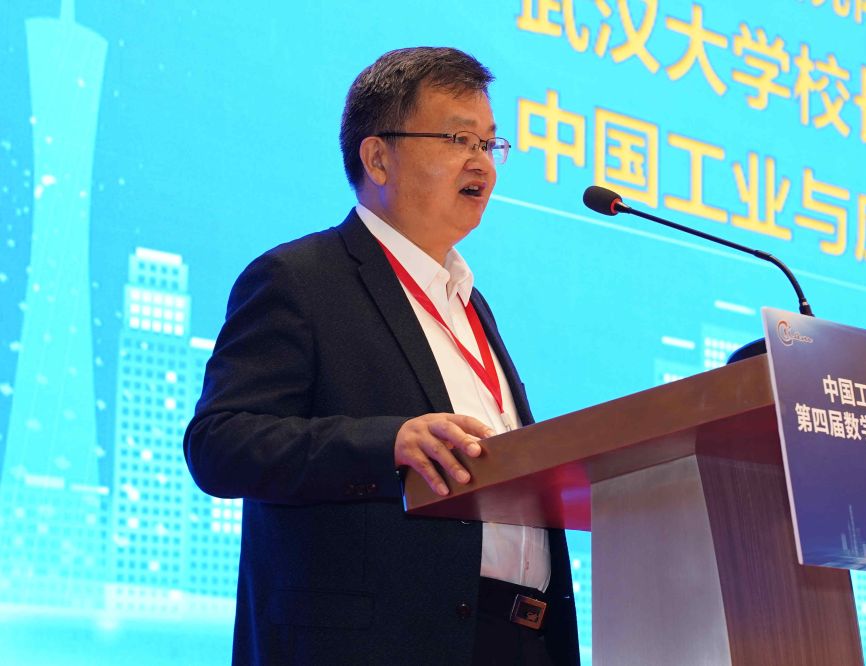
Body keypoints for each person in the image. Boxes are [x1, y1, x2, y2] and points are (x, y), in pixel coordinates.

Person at [184, 47, 580, 665]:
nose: (481, 161)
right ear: (377, 158)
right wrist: (387, 443)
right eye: (459, 138)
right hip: (381, 643)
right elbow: (220, 445)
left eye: (489, 143)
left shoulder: (471, 303)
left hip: (518, 641)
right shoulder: (300, 279)